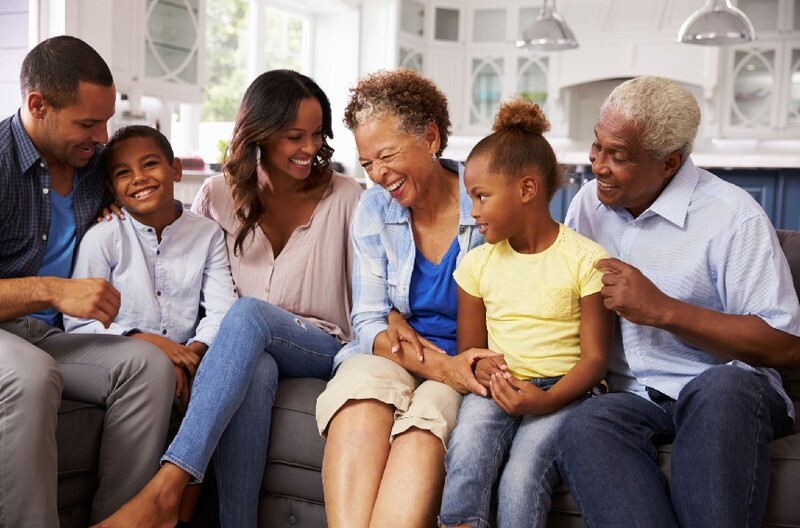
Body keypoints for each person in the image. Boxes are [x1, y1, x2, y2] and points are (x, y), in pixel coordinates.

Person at [95, 69, 362, 527]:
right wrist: (117, 212)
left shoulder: (347, 197)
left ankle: (168, 487)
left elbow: (368, 299)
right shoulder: (218, 193)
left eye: (317, 134)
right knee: (255, 367)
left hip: (322, 344)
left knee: (248, 313)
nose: (310, 148)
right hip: (245, 346)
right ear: (260, 132)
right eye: (293, 135)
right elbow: (177, 245)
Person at [556, 76, 800, 527]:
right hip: (633, 397)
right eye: (597, 146)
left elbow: (785, 343)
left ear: (669, 163)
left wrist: (662, 310)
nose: (598, 166)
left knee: (720, 387)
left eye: (619, 155)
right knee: (586, 424)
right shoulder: (588, 205)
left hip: (724, 389)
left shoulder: (732, 216)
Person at [0, 36, 175, 526]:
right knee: (31, 377)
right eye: (86, 123)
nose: (101, 136)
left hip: (51, 337)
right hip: (7, 338)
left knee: (148, 367)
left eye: (105, 121)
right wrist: (52, 289)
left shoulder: (97, 166)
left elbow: (157, 196)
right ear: (38, 105)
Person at [316, 68, 498, 528]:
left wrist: (451, 370)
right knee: (361, 394)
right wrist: (394, 323)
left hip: (467, 364)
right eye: (367, 164)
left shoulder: (486, 203)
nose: (378, 175)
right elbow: (369, 321)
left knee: (425, 425)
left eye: (386, 155)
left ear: (431, 137)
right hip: (400, 355)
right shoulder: (375, 209)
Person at [438, 98, 611, 528]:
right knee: (468, 452)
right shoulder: (475, 265)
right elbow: (470, 351)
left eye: (481, 197)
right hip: (501, 385)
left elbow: (595, 360)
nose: (473, 211)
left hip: (566, 393)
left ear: (527, 189)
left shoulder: (586, 259)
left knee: (522, 474)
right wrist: (482, 371)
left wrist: (546, 399)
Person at [63, 124, 238, 523]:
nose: (139, 178)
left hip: (186, 357)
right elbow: (79, 324)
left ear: (175, 169)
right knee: (163, 380)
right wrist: (152, 346)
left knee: (207, 388)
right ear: (110, 186)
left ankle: (178, 514)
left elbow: (223, 310)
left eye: (150, 164)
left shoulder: (207, 234)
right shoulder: (104, 237)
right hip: (117, 355)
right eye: (123, 172)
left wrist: (191, 356)